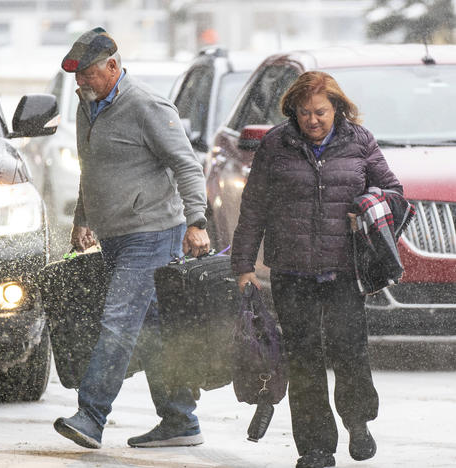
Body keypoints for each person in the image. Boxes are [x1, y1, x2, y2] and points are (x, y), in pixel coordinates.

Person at [231, 71, 402, 468]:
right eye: (305, 113)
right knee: (304, 359)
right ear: (293, 111)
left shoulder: (360, 141)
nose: (313, 120)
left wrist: (370, 202)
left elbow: (394, 192)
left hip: (345, 270)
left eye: (321, 112)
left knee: (349, 351)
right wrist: (243, 266)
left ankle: (357, 422)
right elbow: (253, 208)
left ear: (337, 108)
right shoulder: (276, 144)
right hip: (292, 271)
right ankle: (316, 448)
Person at [52, 27, 210, 449]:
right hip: (114, 235)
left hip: (153, 232)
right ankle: (180, 419)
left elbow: (187, 166)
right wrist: (82, 218)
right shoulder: (89, 106)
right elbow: (92, 168)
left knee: (118, 323)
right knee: (154, 327)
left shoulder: (146, 106)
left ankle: (91, 415)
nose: (79, 82)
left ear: (113, 67)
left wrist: (197, 220)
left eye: (86, 73)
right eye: (76, 75)